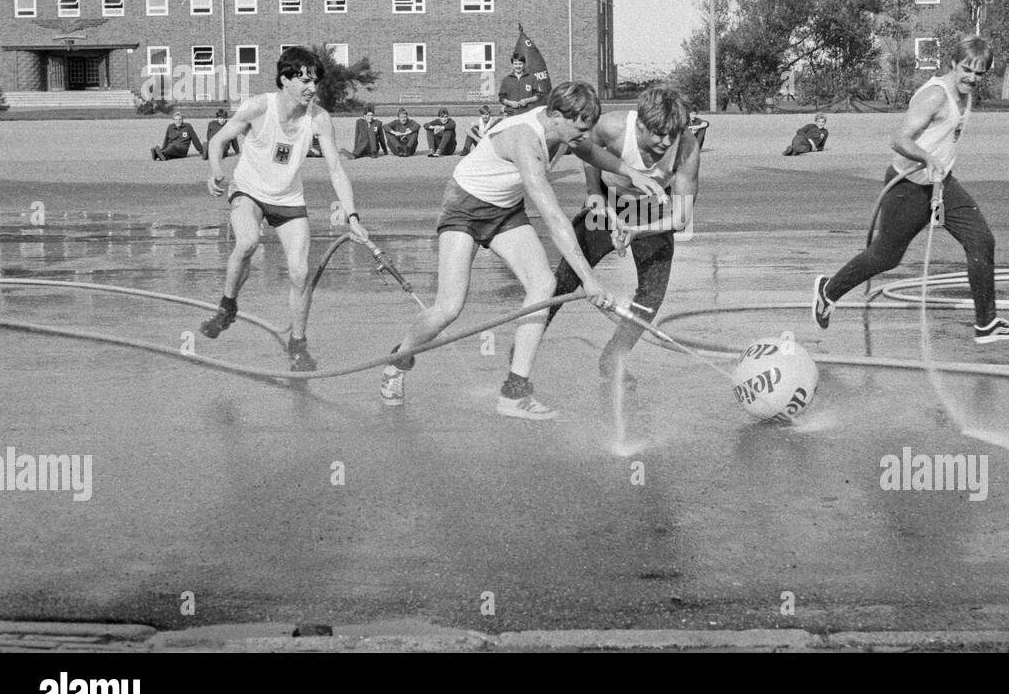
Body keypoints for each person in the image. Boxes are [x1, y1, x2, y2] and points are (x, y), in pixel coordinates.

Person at [379, 80, 669, 418]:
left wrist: (631, 172)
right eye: (578, 129)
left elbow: (589, 150)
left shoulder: (564, 131)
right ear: (556, 115)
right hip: (464, 208)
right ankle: (399, 360)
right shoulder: (526, 140)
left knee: (543, 286)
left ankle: (514, 392)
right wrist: (589, 279)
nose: (584, 135)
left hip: (504, 211)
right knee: (448, 308)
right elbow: (553, 216)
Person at [811, 36, 1009, 344]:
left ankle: (986, 324)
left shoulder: (964, 93)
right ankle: (828, 290)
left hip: (942, 183)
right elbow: (898, 139)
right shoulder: (935, 96)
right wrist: (927, 158)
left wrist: (939, 165)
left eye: (979, 73)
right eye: (966, 70)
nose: (972, 78)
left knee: (981, 241)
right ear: (953, 64)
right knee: (885, 257)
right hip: (909, 186)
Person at [200, 47, 369, 370]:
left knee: (300, 272)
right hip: (248, 190)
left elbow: (336, 170)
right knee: (247, 242)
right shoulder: (258, 107)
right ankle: (227, 306)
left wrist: (353, 217)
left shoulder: (319, 118)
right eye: (304, 80)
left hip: (289, 198)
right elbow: (217, 141)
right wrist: (215, 170)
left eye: (315, 81)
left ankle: (298, 345)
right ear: (284, 79)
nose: (311, 87)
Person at [543, 85, 700, 388]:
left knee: (651, 298)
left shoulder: (686, 147)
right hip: (609, 199)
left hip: (653, 210)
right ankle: (524, 350)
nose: (665, 143)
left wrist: (638, 231)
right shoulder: (612, 126)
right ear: (640, 124)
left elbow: (681, 218)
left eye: (672, 135)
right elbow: (587, 149)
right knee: (564, 279)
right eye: (657, 134)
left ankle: (613, 358)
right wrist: (593, 193)